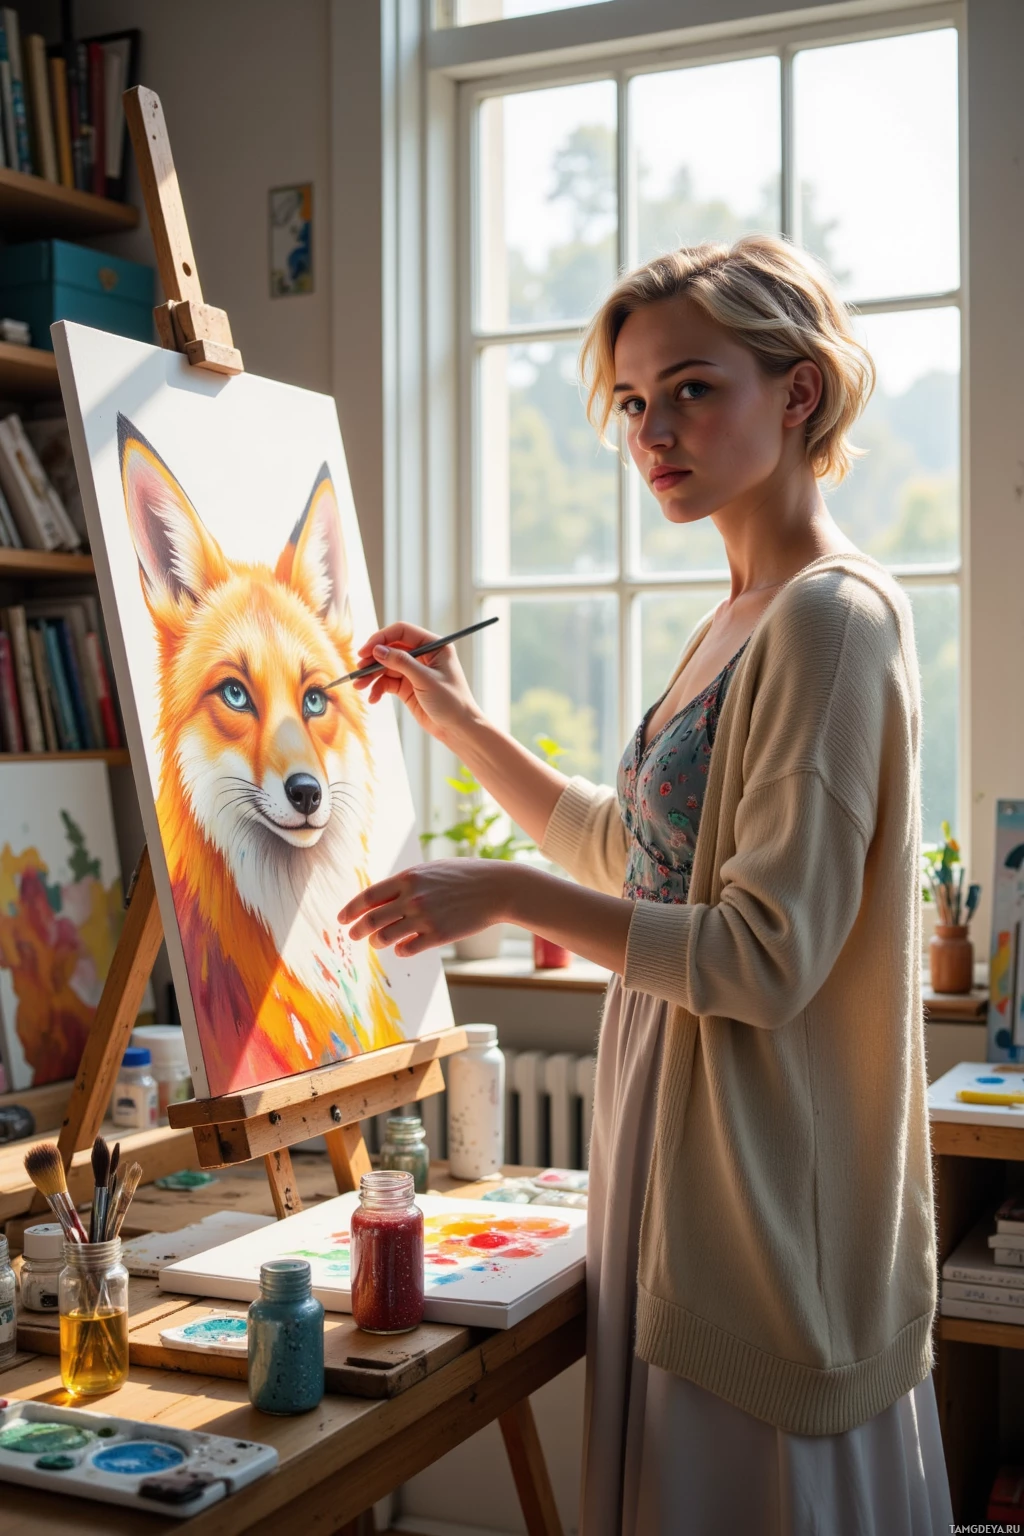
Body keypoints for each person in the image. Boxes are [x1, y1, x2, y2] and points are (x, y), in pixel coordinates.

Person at [339, 236, 953, 1535]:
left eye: (691, 389)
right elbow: (636, 855)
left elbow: (760, 958)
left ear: (797, 393)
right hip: (675, 1149)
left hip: (758, 1191)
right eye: (630, 401)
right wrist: (458, 726)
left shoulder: (829, 619)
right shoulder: (738, 609)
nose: (651, 431)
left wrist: (503, 892)